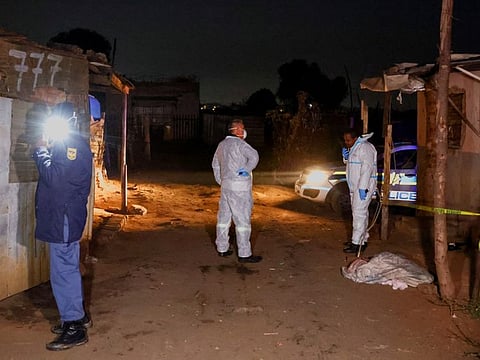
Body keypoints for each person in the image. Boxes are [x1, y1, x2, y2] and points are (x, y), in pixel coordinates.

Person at [32, 103, 93, 351]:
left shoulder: (71, 145)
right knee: (66, 268)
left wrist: (40, 152)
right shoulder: (69, 143)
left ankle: (74, 326)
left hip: (63, 218)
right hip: (61, 216)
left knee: (63, 271)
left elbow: (55, 179)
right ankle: (77, 316)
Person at [212, 119, 262, 263]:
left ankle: (222, 248)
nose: (244, 131)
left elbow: (215, 164)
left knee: (223, 219)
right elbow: (254, 156)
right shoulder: (241, 144)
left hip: (226, 187)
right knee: (242, 221)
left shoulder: (222, 145)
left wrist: (221, 180)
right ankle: (244, 254)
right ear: (237, 130)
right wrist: (245, 170)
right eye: (242, 128)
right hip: (239, 188)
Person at [341, 128, 377, 254]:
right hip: (355, 187)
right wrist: (346, 158)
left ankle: (356, 243)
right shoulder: (356, 147)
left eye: (348, 140)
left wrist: (363, 187)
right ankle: (362, 239)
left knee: (358, 214)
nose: (346, 142)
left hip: (363, 186)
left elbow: (367, 169)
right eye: (345, 140)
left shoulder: (365, 148)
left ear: (355, 138)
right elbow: (353, 166)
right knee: (361, 213)